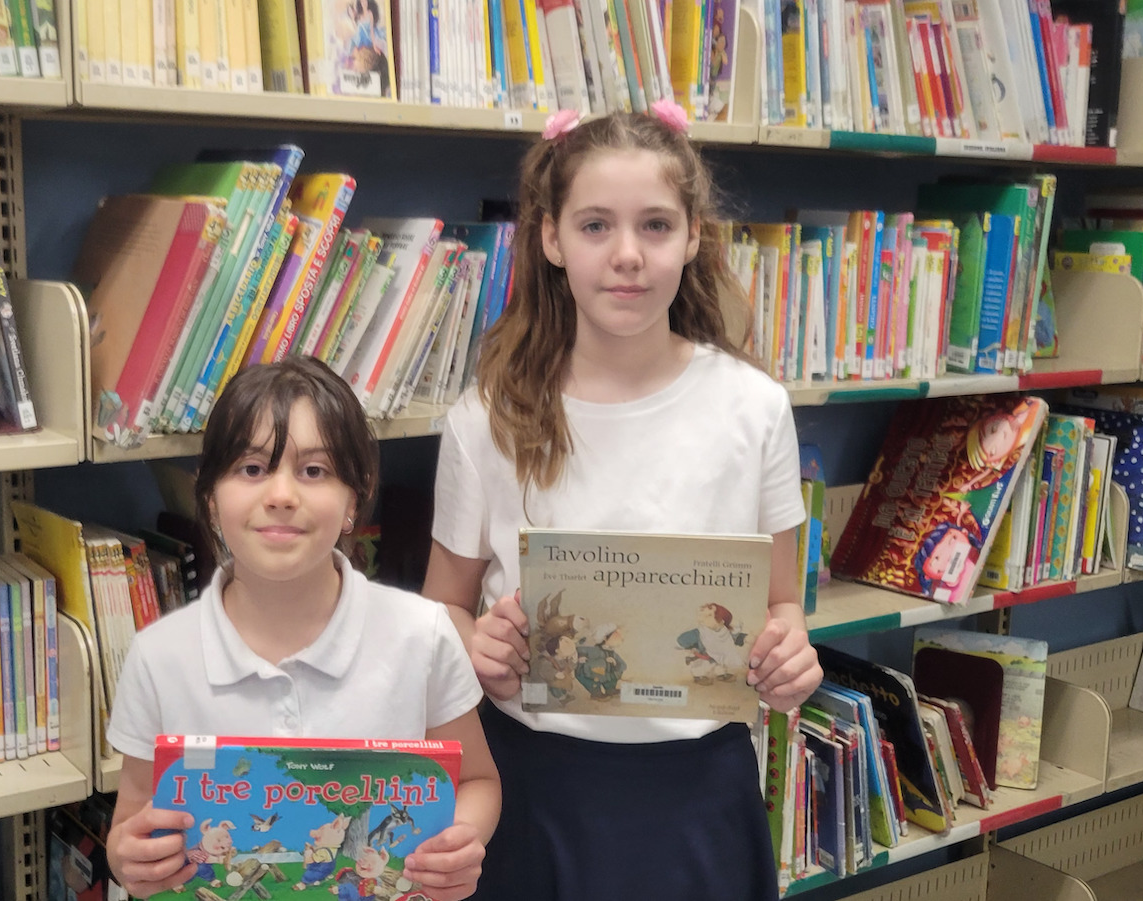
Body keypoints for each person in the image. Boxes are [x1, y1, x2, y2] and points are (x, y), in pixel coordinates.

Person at [422, 102, 823, 900]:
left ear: (695, 236)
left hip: (700, 785)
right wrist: (475, 649)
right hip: (533, 783)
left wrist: (788, 661)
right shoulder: (486, 415)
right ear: (550, 237)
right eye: (596, 225)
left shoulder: (753, 407)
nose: (628, 256)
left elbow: (781, 603)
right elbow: (443, 611)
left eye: (656, 226)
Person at [103, 357, 501, 900]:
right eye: (251, 469)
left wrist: (459, 845)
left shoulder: (423, 635)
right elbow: (132, 819)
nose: (281, 494)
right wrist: (133, 858)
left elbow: (478, 783)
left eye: (313, 471)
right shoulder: (159, 657)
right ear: (211, 500)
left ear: (352, 501)